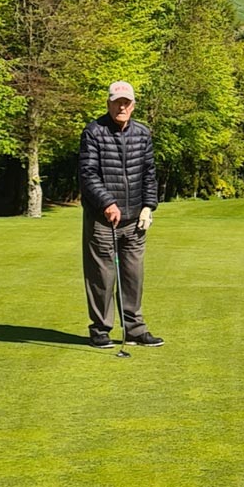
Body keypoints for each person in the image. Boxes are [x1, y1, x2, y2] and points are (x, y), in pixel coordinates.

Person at [79, 81, 163, 348]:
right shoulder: (94, 132)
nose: (122, 106)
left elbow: (149, 173)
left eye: (126, 102)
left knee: (133, 275)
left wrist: (149, 206)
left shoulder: (142, 133)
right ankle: (101, 329)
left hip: (135, 220)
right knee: (102, 276)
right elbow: (88, 174)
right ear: (109, 104)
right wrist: (107, 203)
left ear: (133, 105)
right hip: (103, 220)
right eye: (117, 102)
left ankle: (135, 329)